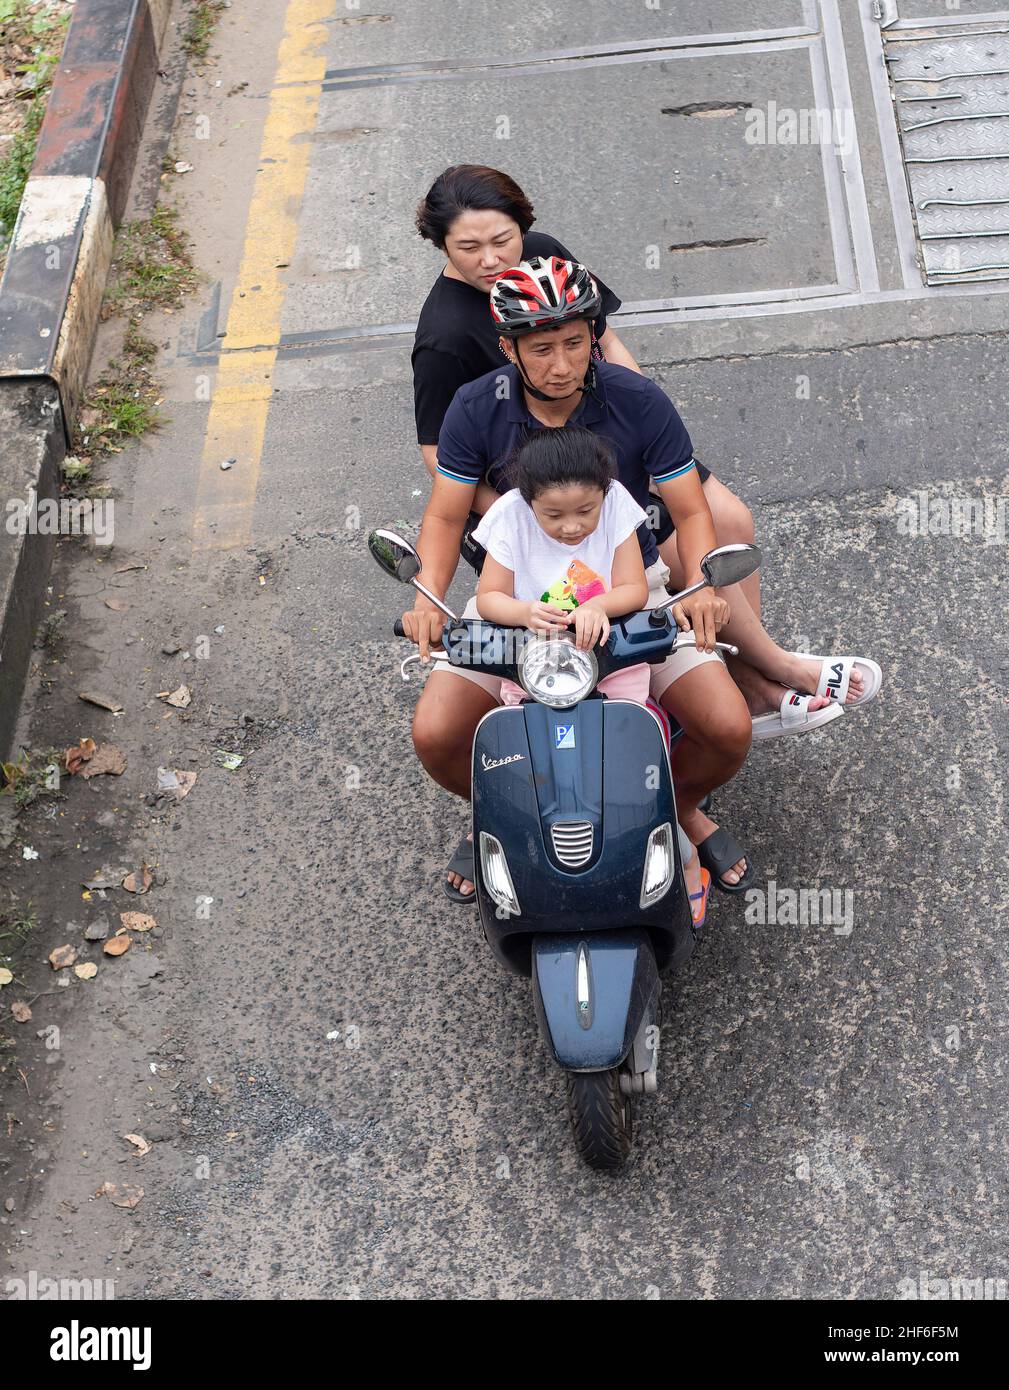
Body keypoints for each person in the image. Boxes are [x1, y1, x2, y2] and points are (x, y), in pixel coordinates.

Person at [411, 165, 872, 735]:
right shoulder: (446, 339)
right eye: (470, 247)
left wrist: (633, 408)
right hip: (531, 488)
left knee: (726, 518)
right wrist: (531, 515)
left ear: (523, 228)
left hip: (605, 433)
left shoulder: (544, 259)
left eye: (504, 240)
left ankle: (739, 665)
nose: (493, 259)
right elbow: (442, 466)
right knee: (669, 558)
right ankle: (760, 674)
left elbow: (605, 339)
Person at [405, 256, 755, 904]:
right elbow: (445, 514)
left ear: (594, 335)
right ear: (507, 346)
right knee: (434, 734)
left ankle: (673, 805)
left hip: (631, 593)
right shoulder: (474, 408)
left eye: (575, 343)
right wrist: (425, 595)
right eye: (541, 349)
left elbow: (689, 509)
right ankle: (499, 813)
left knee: (728, 727)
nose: (561, 365)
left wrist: (702, 584)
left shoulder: (637, 400)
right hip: (513, 604)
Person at [474, 426, 711, 925]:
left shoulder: (619, 502)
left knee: (636, 738)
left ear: (604, 493)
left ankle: (673, 840)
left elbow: (632, 587)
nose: (570, 528)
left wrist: (598, 605)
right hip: (533, 658)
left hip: (609, 651)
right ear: (527, 501)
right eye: (553, 515)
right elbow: (490, 595)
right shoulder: (510, 516)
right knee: (528, 753)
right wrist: (524, 613)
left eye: (585, 512)